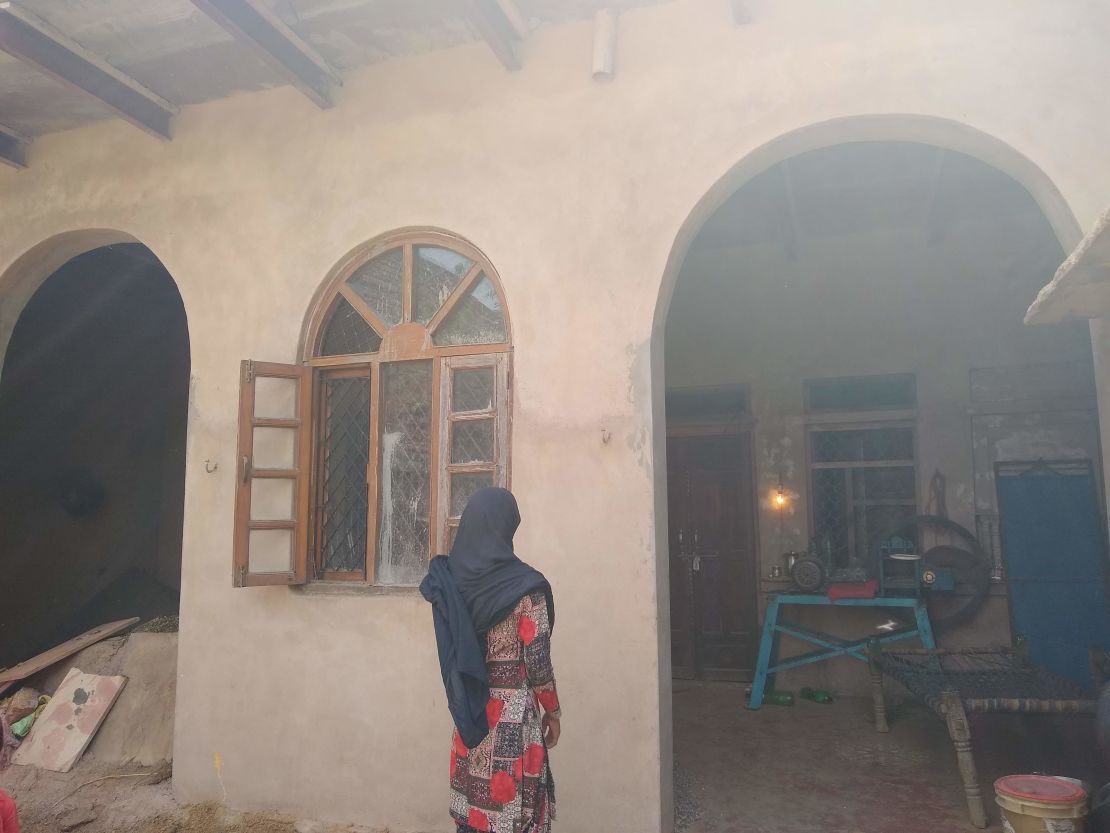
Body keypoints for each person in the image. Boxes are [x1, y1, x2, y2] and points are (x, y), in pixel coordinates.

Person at [421, 488, 560, 833]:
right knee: (515, 817)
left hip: (470, 715)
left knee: (474, 815)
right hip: (513, 722)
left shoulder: (451, 582)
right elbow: (538, 664)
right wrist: (553, 711)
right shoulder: (526, 588)